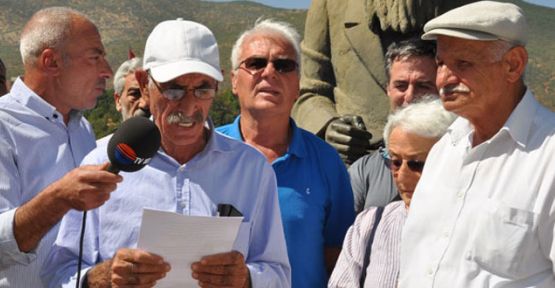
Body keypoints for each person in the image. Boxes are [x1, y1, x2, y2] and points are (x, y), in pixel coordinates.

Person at [43, 19, 290, 288]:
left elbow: (278, 273)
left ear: (217, 85)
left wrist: (246, 279)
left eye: (203, 89)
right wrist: (101, 278)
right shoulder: (103, 162)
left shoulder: (251, 169)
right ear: (143, 81)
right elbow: (58, 274)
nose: (189, 105)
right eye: (173, 89)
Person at [399, 1, 555, 287]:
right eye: (441, 63)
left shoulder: (548, 156)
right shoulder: (444, 149)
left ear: (513, 64)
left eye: (463, 64)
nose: (443, 79)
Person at [217, 19, 355, 288]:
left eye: (283, 65)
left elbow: (338, 258)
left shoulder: (326, 162)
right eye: (256, 63)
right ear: (234, 81)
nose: (269, 73)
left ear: (298, 85)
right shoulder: (207, 151)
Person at [0, 7, 119, 287]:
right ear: (51, 62)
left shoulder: (82, 128)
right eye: (95, 57)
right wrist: (58, 198)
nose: (107, 71)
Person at [292, 0, 474, 165]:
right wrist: (329, 125)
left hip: (445, 158)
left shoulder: (467, 7)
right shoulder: (331, 5)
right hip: (357, 161)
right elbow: (308, 90)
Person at [329, 98, 455, 288]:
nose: (402, 175)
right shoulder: (370, 225)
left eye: (416, 164)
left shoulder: (470, 228)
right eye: (395, 162)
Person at [348, 39, 438, 213]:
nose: (410, 96)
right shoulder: (363, 171)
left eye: (423, 86)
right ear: (388, 89)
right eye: (401, 86)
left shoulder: (461, 161)